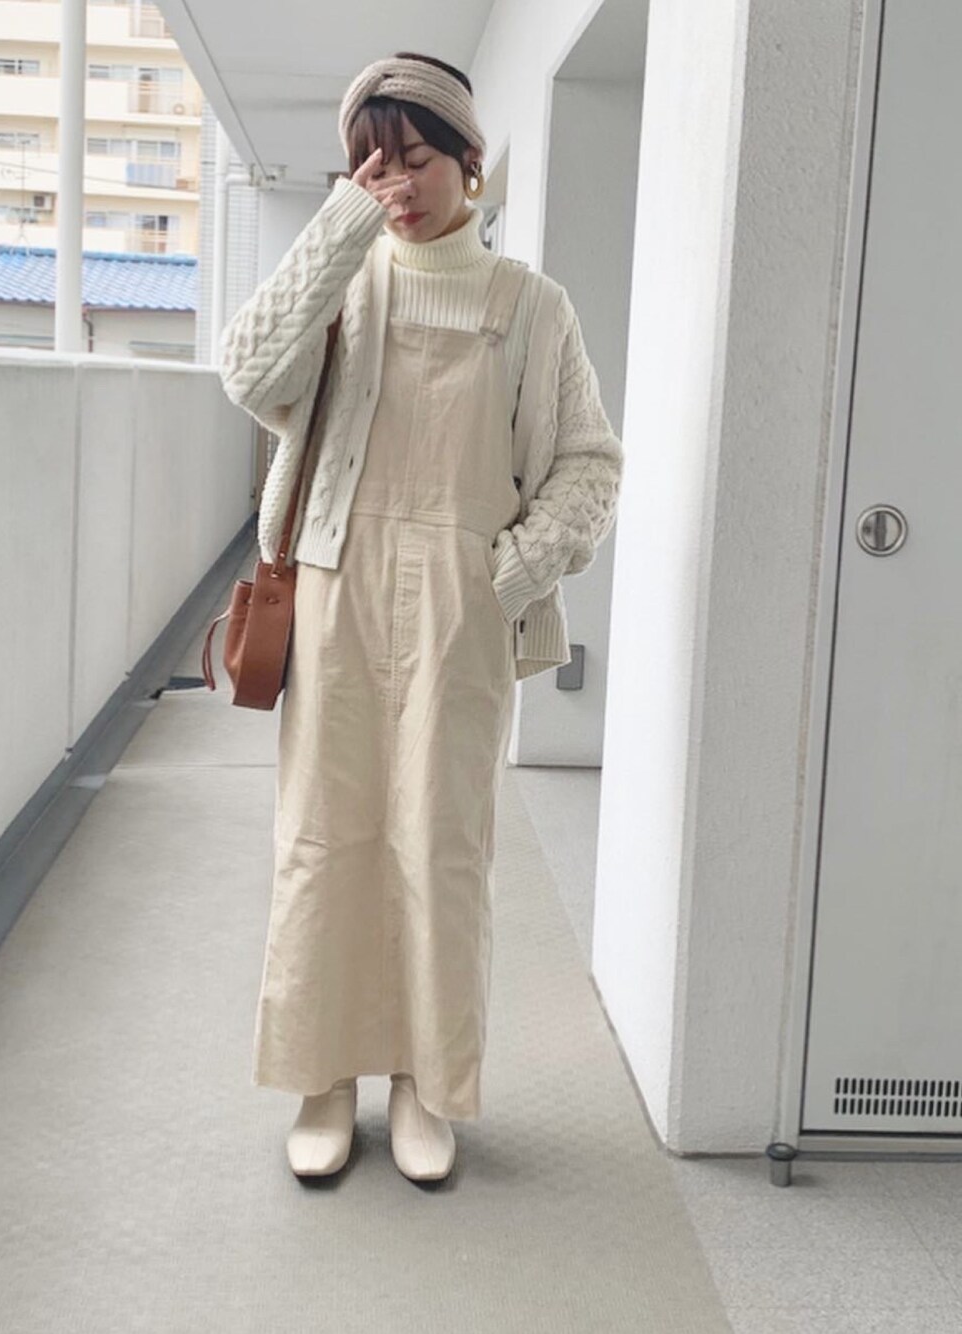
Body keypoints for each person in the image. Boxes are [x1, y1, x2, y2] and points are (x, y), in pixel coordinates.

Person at [217, 52, 624, 1184]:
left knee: (437, 849)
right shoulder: (344, 281)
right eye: (372, 164)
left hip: (460, 603)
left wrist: (505, 576)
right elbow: (246, 373)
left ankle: (423, 1084)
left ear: (469, 163)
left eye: (415, 158)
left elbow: (589, 463)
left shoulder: (531, 305)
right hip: (335, 588)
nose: (395, 183)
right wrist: (342, 224)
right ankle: (322, 1079)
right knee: (324, 842)